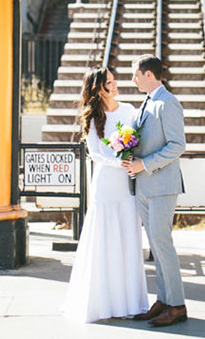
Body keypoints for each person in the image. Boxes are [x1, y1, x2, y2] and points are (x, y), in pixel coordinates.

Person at [65, 66, 148, 322]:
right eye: (108, 83)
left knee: (127, 235)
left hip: (126, 183)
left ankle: (130, 302)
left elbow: (139, 139)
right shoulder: (91, 116)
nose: (114, 85)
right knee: (104, 237)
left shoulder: (129, 110)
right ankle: (103, 302)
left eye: (113, 80)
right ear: (97, 90)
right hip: (105, 182)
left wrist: (130, 159)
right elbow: (95, 153)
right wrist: (118, 162)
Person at [123, 55, 188, 328]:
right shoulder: (147, 102)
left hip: (161, 184)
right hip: (146, 184)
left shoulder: (168, 103)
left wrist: (144, 164)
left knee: (162, 243)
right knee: (156, 245)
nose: (133, 80)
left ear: (149, 74)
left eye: (135, 75)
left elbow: (177, 145)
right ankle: (164, 300)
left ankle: (177, 305)